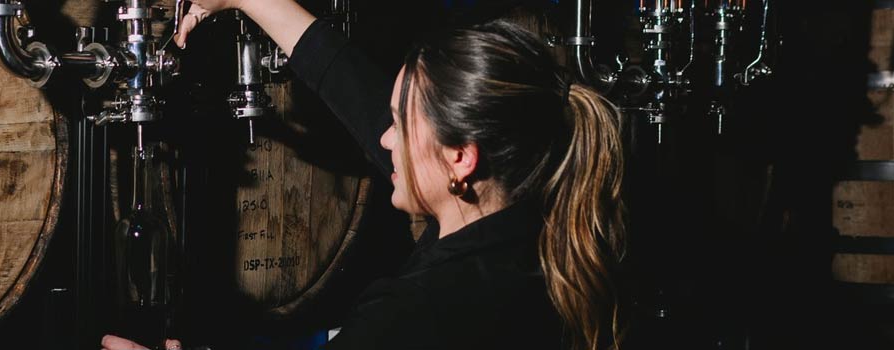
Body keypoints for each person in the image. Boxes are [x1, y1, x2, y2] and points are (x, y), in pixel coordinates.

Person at [103, 0, 627, 349]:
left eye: (400, 124)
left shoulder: (411, 315)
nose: (383, 138)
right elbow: (355, 91)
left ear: (462, 159)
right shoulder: (544, 239)